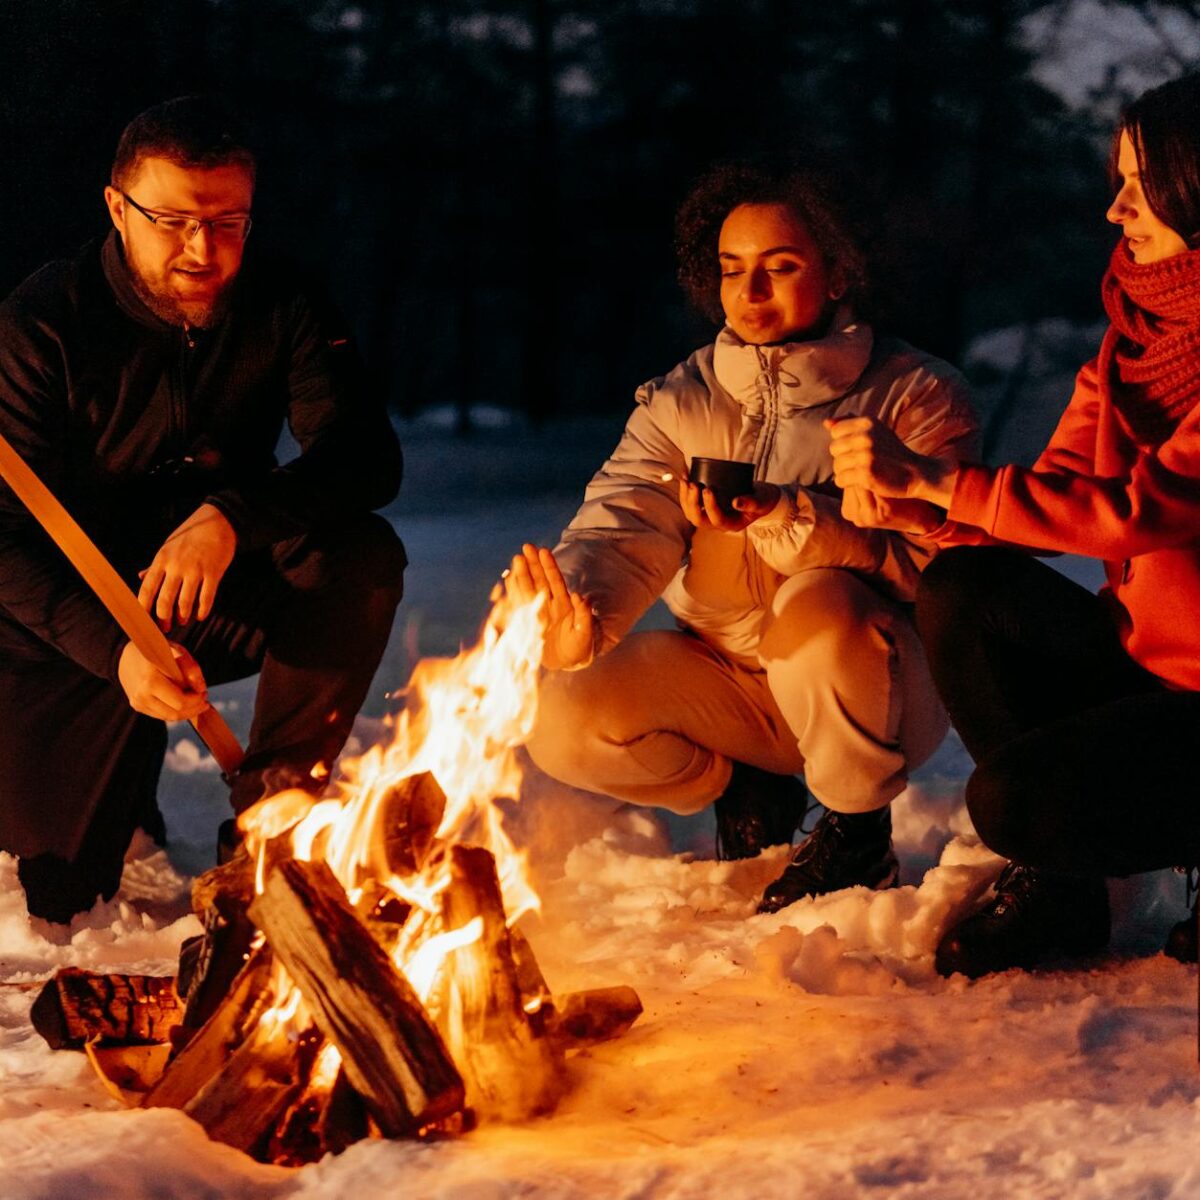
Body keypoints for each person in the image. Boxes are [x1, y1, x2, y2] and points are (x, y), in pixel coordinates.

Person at [506, 159, 977, 912]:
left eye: (779, 267)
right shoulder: (682, 400)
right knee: (555, 710)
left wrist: (788, 515)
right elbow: (627, 518)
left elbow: (935, 568)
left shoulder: (916, 395)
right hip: (729, 686)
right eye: (732, 270)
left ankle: (857, 833)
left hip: (879, 692)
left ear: (838, 271)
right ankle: (748, 788)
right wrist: (576, 614)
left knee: (821, 601)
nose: (750, 293)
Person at [827, 73, 1200, 974]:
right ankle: (1060, 901)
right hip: (1153, 677)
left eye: (1139, 188)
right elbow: (1053, 491)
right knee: (964, 587)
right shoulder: (1132, 346)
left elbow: (1138, 511)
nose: (1115, 211)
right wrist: (914, 504)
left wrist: (941, 480)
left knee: (1015, 800)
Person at [0, 97, 406, 923]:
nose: (202, 248)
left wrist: (231, 516)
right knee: (63, 896)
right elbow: (5, 543)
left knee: (355, 557)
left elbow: (363, 457)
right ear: (117, 207)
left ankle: (272, 817)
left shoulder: (284, 302)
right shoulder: (41, 325)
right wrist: (115, 651)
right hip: (68, 628)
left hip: (205, 595)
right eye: (173, 219)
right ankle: (110, 775)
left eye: (228, 220)